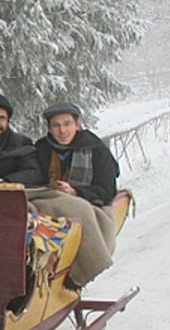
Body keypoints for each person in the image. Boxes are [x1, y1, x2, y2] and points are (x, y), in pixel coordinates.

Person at [26, 102, 119, 289]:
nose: (62, 131)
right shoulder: (42, 149)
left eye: (67, 124)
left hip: (87, 201)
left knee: (80, 211)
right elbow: (34, 179)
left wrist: (77, 191)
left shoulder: (96, 150)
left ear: (77, 125)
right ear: (49, 129)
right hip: (50, 201)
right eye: (56, 125)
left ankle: (78, 272)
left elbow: (107, 189)